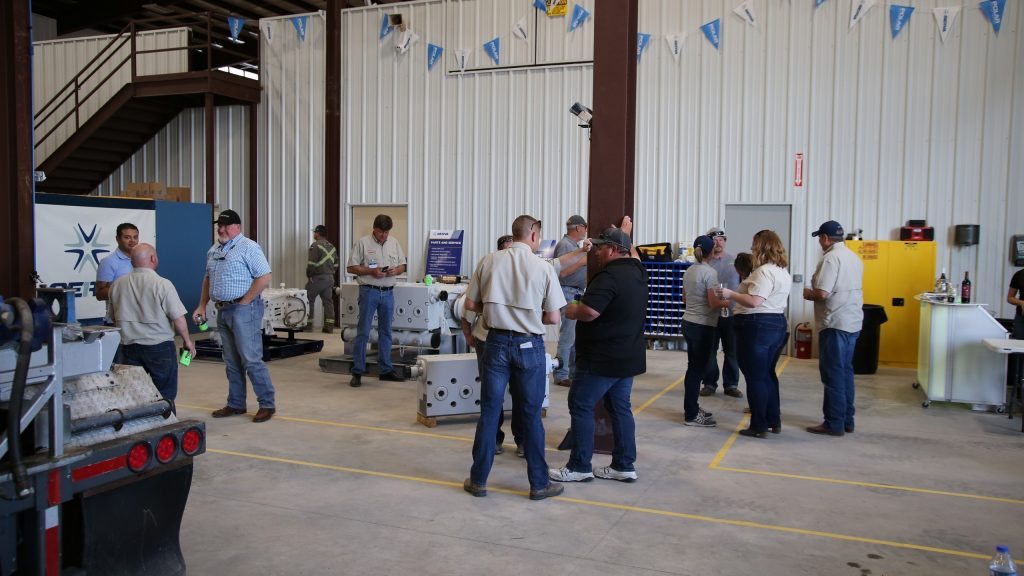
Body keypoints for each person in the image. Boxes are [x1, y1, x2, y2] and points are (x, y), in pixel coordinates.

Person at [462, 215, 566, 501]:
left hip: (494, 343)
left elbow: (470, 305)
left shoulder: (489, 261)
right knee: (531, 415)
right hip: (528, 346)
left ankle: (478, 480)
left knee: (490, 412)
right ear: (533, 235)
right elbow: (553, 316)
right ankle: (539, 484)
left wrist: (496, 308)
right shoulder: (542, 268)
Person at [548, 226, 647, 484]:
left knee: (580, 404)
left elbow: (590, 311)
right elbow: (634, 254)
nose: (597, 252)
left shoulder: (608, 277)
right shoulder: (638, 270)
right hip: (628, 356)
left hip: (602, 358)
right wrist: (624, 232)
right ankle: (623, 465)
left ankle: (580, 465)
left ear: (614, 250)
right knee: (620, 408)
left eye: (601, 247)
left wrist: (570, 309)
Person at [192, 209, 277, 424]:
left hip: (243, 310)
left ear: (237, 227)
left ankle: (267, 404)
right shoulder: (213, 250)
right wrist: (201, 305)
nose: (221, 229)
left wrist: (246, 301)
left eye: (226, 226)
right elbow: (207, 279)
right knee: (231, 361)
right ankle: (236, 403)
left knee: (250, 358)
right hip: (223, 310)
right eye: (219, 225)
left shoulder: (248, 247)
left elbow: (265, 276)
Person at [722, 230, 792, 439]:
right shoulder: (782, 271)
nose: (751, 249)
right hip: (776, 323)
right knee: (767, 374)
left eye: (754, 245)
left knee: (755, 378)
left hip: (756, 325)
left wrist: (730, 294)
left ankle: (759, 425)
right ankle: (773, 419)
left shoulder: (763, 272)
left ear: (761, 247)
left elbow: (754, 301)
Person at [459, 234, 523, 457]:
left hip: (518, 341)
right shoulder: (487, 269)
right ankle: (494, 440)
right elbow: (466, 310)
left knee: (519, 393)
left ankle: (522, 440)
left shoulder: (524, 274)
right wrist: (469, 335)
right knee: (492, 396)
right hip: (487, 341)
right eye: (505, 251)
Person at [109, 243, 195, 403]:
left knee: (131, 396)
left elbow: (113, 318)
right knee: (164, 395)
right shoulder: (163, 284)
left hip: (128, 348)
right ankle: (166, 423)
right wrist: (188, 341)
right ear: (153, 258)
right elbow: (178, 318)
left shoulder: (117, 285)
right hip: (159, 347)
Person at [803, 220, 863, 437]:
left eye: (820, 238)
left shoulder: (831, 259)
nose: (820, 242)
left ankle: (833, 423)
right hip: (852, 322)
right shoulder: (853, 257)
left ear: (826, 238)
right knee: (845, 372)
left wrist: (808, 293)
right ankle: (847, 420)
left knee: (832, 374)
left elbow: (822, 293)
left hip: (835, 323)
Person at [346, 214, 408, 388]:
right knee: (363, 332)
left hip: (388, 293)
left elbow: (403, 265)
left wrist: (396, 271)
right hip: (369, 292)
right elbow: (351, 267)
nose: (384, 236)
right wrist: (370, 271)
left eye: (387, 233)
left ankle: (385, 370)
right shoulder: (362, 243)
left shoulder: (394, 243)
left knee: (386, 332)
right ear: (375, 229)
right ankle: (357, 371)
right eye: (382, 233)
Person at [681, 235, 729, 427]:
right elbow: (713, 302)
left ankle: (692, 407)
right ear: (710, 252)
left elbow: (685, 299)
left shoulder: (689, 271)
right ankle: (691, 414)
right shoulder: (710, 273)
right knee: (696, 371)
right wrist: (728, 300)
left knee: (693, 368)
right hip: (703, 326)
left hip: (688, 322)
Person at [701, 227, 743, 399]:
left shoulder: (735, 261)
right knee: (709, 350)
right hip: (711, 314)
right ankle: (709, 383)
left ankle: (731, 384)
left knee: (732, 351)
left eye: (722, 239)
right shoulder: (705, 263)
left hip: (732, 314)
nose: (719, 243)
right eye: (715, 240)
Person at [553, 215, 589, 388]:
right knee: (568, 335)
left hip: (575, 293)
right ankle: (561, 374)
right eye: (585, 227)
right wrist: (583, 261)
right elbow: (562, 272)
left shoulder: (573, 246)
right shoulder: (566, 246)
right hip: (568, 292)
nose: (586, 230)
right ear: (578, 228)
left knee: (574, 334)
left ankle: (573, 372)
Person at [306, 224, 339, 334]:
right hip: (330, 278)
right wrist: (330, 273)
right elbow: (336, 265)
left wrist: (309, 275)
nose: (314, 234)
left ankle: (308, 325)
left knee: (308, 299)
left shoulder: (315, 246)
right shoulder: (332, 247)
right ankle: (329, 327)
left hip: (318, 278)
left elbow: (311, 263)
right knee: (328, 302)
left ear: (318, 233)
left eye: (315, 232)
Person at [96, 222, 139, 303]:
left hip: (141, 313)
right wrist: (127, 291)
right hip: (118, 314)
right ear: (117, 239)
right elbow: (99, 294)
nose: (132, 241)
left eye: (135, 237)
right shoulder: (108, 262)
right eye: (127, 237)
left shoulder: (142, 259)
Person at [1009, 268, 1024, 339]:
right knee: (1019, 345)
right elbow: (1010, 298)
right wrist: (1021, 302)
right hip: (1021, 318)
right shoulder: (1019, 275)